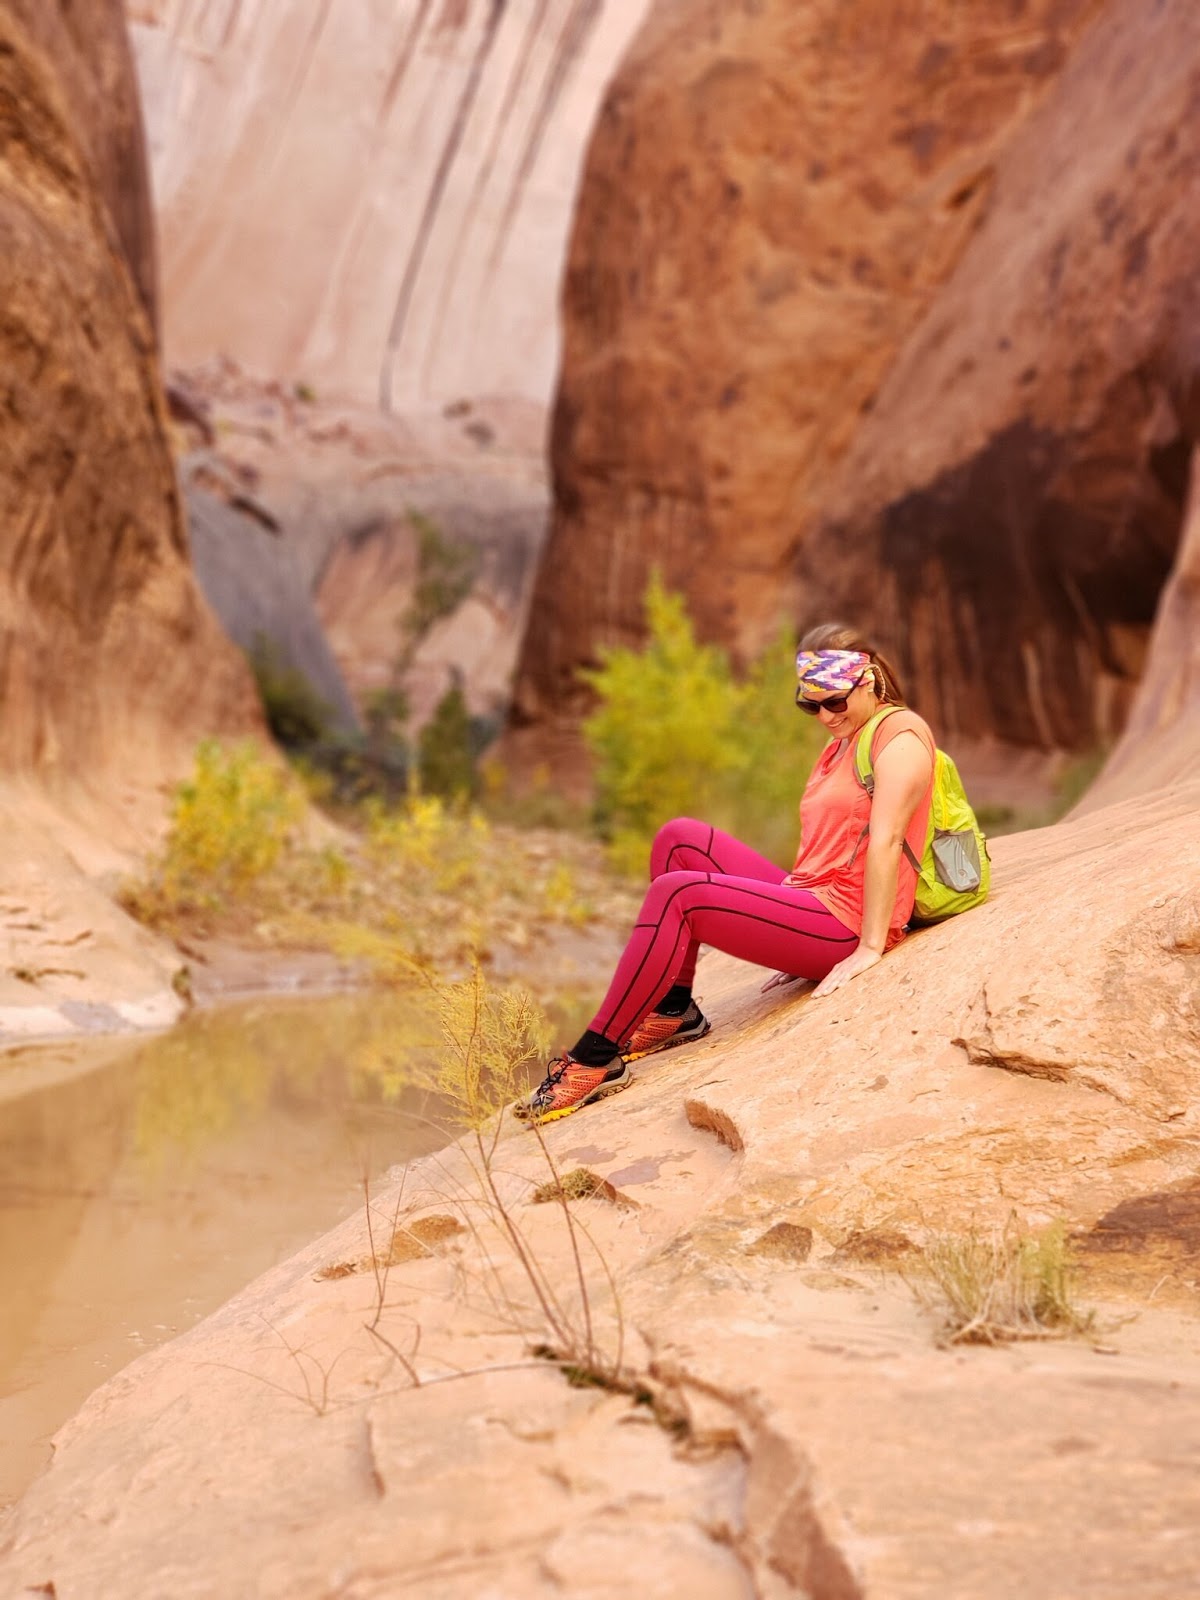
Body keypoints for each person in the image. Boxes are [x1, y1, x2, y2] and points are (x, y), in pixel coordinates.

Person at [515, 622, 936, 1126]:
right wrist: (784, 920)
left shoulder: (901, 739)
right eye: (810, 704)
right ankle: (674, 1012)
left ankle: (594, 1059)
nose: (824, 716)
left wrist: (868, 948)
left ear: (867, 680)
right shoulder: (848, 735)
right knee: (679, 839)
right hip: (812, 900)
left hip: (846, 924)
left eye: (834, 701)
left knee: (680, 895)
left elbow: (887, 840)